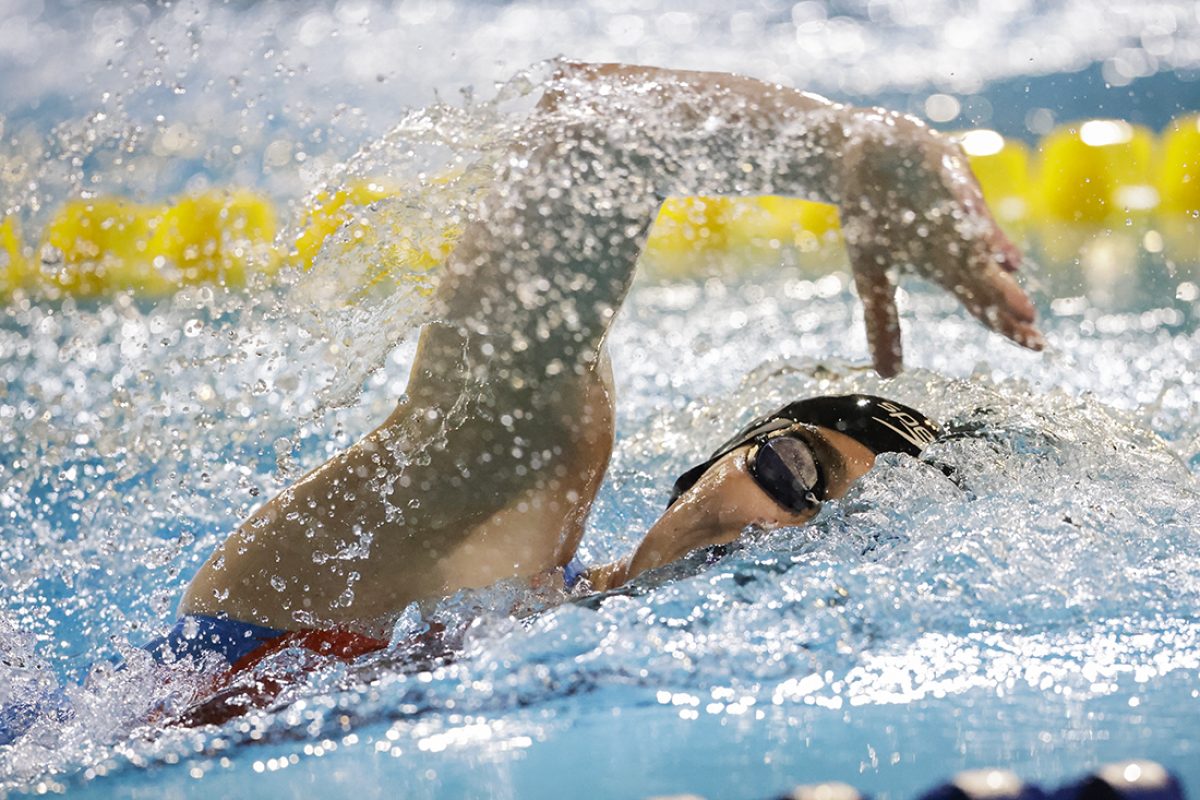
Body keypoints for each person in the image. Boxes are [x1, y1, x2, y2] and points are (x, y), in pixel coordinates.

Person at [1, 61, 1045, 741]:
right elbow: (590, 130)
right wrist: (856, 148)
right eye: (793, 473)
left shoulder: (613, 692)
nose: (783, 533)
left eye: (832, 535)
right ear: (714, 462)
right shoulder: (509, 509)